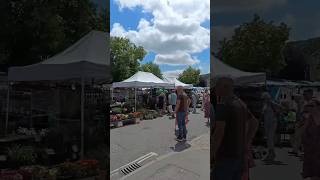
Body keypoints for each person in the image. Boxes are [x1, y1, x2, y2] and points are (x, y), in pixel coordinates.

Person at [212, 77, 258, 180]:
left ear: (224, 88)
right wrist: (246, 142)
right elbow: (254, 122)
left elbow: (219, 133)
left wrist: (211, 154)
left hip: (225, 156)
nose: (214, 90)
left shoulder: (223, 105)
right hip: (239, 156)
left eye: (216, 87)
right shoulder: (241, 103)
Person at [302, 99, 320, 180]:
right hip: (310, 146)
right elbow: (304, 131)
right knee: (311, 166)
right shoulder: (309, 118)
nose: (310, 108)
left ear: (318, 107)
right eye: (308, 106)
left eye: (312, 106)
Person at [261, 92, 282, 161]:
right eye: (263, 99)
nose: (264, 100)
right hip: (267, 123)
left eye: (264, 98)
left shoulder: (272, 103)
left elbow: (281, 108)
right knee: (268, 138)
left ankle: (271, 153)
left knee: (270, 138)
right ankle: (271, 153)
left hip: (272, 122)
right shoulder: (265, 104)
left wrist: (276, 113)